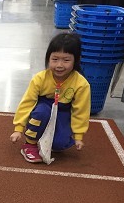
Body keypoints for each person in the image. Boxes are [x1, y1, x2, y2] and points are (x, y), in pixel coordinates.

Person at [10, 32, 91, 163]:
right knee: (41, 112)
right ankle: (30, 144)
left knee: (60, 144)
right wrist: (18, 128)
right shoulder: (40, 78)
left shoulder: (81, 84)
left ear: (76, 60)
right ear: (48, 58)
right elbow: (27, 103)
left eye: (66, 60)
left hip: (64, 110)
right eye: (55, 59)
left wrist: (78, 136)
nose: (59, 65)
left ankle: (51, 139)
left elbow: (81, 111)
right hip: (44, 106)